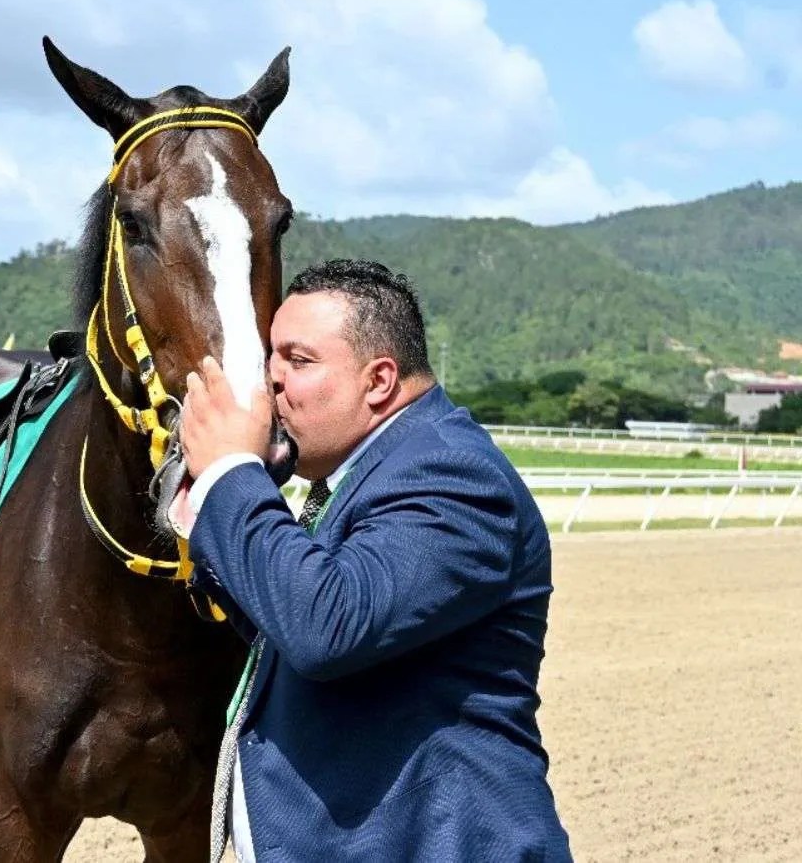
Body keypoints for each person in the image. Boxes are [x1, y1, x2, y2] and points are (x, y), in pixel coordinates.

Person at [180, 259, 572, 861]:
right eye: (271, 359)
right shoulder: (364, 474)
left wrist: (231, 478)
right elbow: (280, 629)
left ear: (380, 380)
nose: (270, 383)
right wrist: (208, 511)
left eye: (298, 360)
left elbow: (324, 627)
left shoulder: (451, 476)